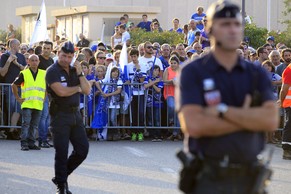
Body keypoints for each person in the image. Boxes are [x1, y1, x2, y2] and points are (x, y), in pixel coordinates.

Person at [176, 1, 278, 193]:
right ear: (210, 29)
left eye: (237, 24)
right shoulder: (193, 72)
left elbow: (271, 120)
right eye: (225, 24)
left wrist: (221, 111)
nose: (232, 30)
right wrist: (248, 117)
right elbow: (194, 125)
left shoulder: (256, 73)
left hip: (250, 178)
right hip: (209, 178)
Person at [45, 41, 91, 194]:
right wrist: (77, 88)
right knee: (62, 152)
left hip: (75, 115)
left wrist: (80, 73)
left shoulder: (74, 70)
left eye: (69, 56)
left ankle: (61, 177)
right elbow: (61, 92)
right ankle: (61, 186)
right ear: (58, 54)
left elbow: (87, 90)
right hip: (60, 116)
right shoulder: (52, 71)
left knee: (82, 150)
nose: (66, 59)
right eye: (64, 56)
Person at [11, 54, 46, 151]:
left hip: (38, 104)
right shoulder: (24, 73)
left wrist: (44, 98)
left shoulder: (44, 73)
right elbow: (14, 85)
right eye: (32, 60)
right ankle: (24, 143)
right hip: (27, 103)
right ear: (28, 62)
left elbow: (47, 87)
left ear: (39, 62)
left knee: (34, 125)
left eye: (36, 60)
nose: (34, 62)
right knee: (26, 124)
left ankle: (31, 143)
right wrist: (18, 98)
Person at [0, 39, 26, 140]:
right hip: (8, 86)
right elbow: (2, 73)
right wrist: (9, 61)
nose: (19, 47)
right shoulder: (4, 56)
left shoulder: (21, 56)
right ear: (13, 46)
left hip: (20, 86)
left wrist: (16, 63)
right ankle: (11, 130)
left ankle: (12, 130)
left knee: (17, 108)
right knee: (10, 108)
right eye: (18, 45)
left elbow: (25, 69)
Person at [38, 41, 54, 148]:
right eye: (45, 48)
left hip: (49, 91)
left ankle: (44, 139)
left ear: (51, 49)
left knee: (48, 117)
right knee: (43, 117)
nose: (46, 50)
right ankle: (42, 139)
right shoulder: (37, 59)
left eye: (48, 48)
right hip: (40, 92)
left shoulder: (51, 60)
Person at [279, 48, 291, 160]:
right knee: (289, 126)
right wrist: (281, 101)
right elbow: (284, 89)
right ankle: (286, 150)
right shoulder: (289, 70)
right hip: (290, 103)